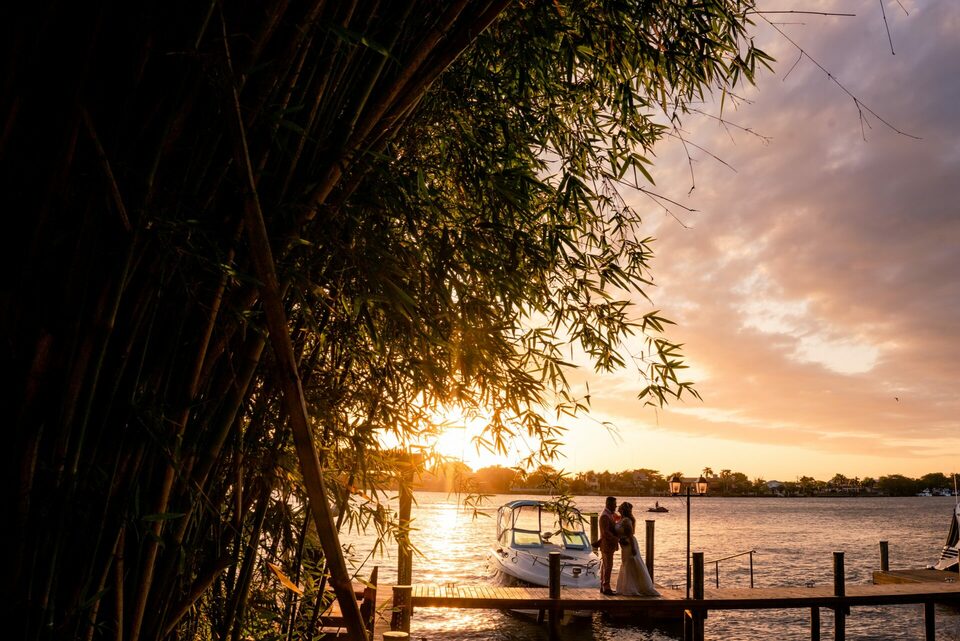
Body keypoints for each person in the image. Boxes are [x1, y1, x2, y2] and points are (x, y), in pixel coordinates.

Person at [615, 502, 660, 596]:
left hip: (629, 544)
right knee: (626, 564)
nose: (618, 508)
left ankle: (633, 588)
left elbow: (630, 535)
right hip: (624, 544)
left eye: (620, 507)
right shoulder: (621, 519)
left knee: (631, 564)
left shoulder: (626, 521)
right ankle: (627, 586)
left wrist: (634, 548)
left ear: (623, 510)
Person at [597, 496, 621, 595]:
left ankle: (603, 585)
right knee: (608, 566)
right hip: (606, 545)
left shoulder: (610, 514)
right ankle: (606, 587)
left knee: (605, 565)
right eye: (614, 504)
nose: (616, 506)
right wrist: (617, 539)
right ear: (609, 504)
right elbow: (605, 532)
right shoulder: (605, 516)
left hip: (608, 545)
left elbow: (619, 518)